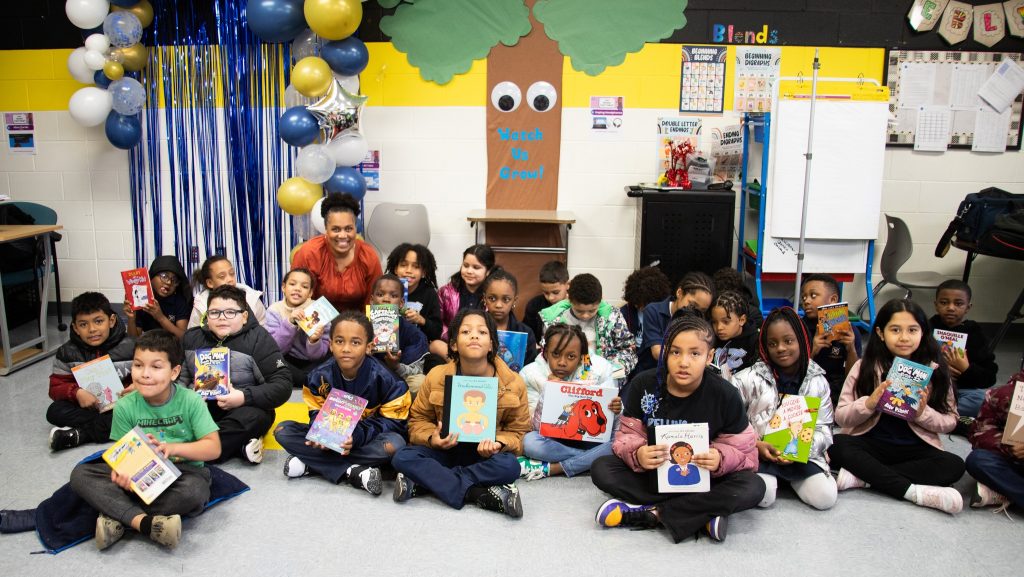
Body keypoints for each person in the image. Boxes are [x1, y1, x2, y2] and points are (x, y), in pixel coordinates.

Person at [590, 315, 764, 543]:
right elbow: (625, 437)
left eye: (695, 353)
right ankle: (703, 514)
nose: (684, 362)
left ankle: (654, 514)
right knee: (602, 468)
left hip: (705, 480)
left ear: (709, 356)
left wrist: (720, 458)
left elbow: (746, 453)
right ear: (665, 353)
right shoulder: (644, 384)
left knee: (754, 486)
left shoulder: (725, 394)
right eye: (675, 352)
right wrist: (638, 453)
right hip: (656, 476)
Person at [68, 330, 221, 550]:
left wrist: (171, 448)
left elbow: (213, 448)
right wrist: (121, 474)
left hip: (183, 472)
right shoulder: (125, 405)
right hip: (139, 475)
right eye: (138, 365)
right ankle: (144, 523)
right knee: (81, 474)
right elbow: (120, 453)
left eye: (156, 367)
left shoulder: (191, 401)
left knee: (194, 492)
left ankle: (119, 515)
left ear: (174, 372)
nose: (145, 374)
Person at [828, 299, 965, 514]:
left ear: (923, 333)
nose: (904, 337)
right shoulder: (863, 367)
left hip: (915, 449)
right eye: (895, 330)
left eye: (912, 330)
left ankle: (864, 478)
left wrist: (923, 414)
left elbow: (950, 421)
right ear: (881, 334)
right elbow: (841, 417)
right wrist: (869, 403)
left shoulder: (936, 371)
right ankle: (911, 491)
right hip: (871, 443)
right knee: (836, 444)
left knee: (954, 465)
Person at [390, 309, 530, 517]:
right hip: (446, 450)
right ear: (454, 344)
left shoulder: (513, 382)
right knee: (402, 456)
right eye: (466, 332)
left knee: (510, 466)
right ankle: (477, 494)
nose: (474, 336)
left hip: (483, 456)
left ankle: (427, 483)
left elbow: (518, 432)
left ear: (492, 343)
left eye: (482, 332)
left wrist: (498, 443)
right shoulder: (436, 376)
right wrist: (432, 438)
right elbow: (418, 419)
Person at [274, 311, 411, 494]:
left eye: (355, 342)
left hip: (365, 440)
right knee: (283, 431)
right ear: (330, 345)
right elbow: (315, 412)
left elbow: (395, 424)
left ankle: (313, 464)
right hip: (332, 437)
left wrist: (355, 436)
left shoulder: (390, 382)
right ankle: (352, 471)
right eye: (339, 341)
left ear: (369, 347)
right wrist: (321, 433)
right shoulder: (317, 377)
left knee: (395, 445)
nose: (346, 348)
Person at [730, 307, 838, 510]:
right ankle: (773, 481)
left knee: (826, 498)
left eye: (788, 341)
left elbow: (825, 430)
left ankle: (794, 481)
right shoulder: (746, 379)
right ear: (764, 346)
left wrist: (801, 449)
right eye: (773, 343)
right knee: (764, 497)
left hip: (803, 457)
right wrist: (756, 445)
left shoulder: (817, 381)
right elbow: (732, 424)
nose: (780, 348)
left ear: (802, 340)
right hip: (761, 453)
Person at [179, 285, 291, 465]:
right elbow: (179, 380)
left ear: (245, 316)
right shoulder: (191, 338)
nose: (222, 317)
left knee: (255, 418)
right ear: (207, 316)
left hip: (243, 408)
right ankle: (235, 448)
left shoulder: (258, 339)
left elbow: (282, 385)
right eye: (214, 312)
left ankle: (194, 451)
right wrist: (187, 398)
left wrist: (243, 397)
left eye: (230, 312)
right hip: (200, 408)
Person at [518, 323, 619, 480]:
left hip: (592, 438)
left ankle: (558, 468)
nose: (562, 362)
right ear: (545, 353)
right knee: (528, 443)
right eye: (556, 354)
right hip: (553, 441)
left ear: (581, 357)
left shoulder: (600, 368)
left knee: (618, 442)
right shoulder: (530, 374)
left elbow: (610, 423)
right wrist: (548, 389)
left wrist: (617, 408)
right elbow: (532, 425)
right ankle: (590, 459)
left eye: (571, 356)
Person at [47, 292, 136, 451]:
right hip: (89, 408)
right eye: (83, 324)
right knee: (55, 411)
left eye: (98, 321)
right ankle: (109, 427)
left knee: (143, 411)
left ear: (112, 320)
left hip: (124, 406)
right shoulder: (67, 353)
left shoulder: (131, 347)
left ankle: (82, 434)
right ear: (75, 327)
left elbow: (148, 376)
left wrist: (135, 388)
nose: (92, 329)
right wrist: (76, 393)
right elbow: (55, 387)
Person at [291, 192, 382, 313]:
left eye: (348, 229)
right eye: (336, 229)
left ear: (355, 228)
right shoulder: (309, 253)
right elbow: (295, 298)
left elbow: (377, 301)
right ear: (326, 230)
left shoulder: (368, 255)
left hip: (358, 326)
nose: (343, 235)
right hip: (316, 326)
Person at [539, 273, 637, 378]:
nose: (585, 316)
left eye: (592, 310)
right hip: (563, 376)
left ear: (600, 301)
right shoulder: (554, 320)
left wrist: (611, 370)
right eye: (579, 311)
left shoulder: (612, 317)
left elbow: (628, 349)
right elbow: (546, 352)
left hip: (603, 376)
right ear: (569, 300)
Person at [930, 280, 998, 419]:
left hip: (961, 390)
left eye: (958, 303)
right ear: (936, 305)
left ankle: (933, 412)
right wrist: (937, 369)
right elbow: (910, 361)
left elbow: (990, 378)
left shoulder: (975, 334)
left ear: (968, 307)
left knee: (981, 400)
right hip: (931, 388)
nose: (950, 308)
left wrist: (966, 368)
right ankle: (944, 413)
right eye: (944, 302)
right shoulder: (926, 329)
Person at [965, 369, 1024, 512]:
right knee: (977, 460)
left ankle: (1003, 493)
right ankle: (1013, 492)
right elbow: (979, 433)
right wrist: (1008, 446)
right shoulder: (1005, 393)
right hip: (1012, 462)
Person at [635, 271, 715, 375]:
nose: (695, 312)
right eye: (692, 304)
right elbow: (657, 352)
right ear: (679, 293)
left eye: (702, 310)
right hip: (651, 373)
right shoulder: (654, 311)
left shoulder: (701, 321)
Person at [799, 273, 861, 406]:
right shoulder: (798, 328)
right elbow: (793, 373)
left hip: (836, 388)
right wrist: (813, 349)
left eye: (813, 296)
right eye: (804, 297)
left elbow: (852, 377)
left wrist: (851, 349)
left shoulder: (849, 330)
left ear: (833, 300)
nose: (806, 301)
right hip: (805, 385)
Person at [265, 268, 330, 387]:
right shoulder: (274, 310)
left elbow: (318, 356)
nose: (297, 289)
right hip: (287, 359)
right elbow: (276, 349)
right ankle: (308, 381)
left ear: (310, 293)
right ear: (283, 287)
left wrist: (314, 340)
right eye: (292, 284)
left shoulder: (319, 309)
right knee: (269, 360)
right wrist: (291, 323)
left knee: (332, 360)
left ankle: (306, 379)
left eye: (304, 287)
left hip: (313, 361)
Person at [367, 274, 430, 386]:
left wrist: (396, 366)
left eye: (393, 296)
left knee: (420, 383)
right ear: (372, 300)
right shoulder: (360, 327)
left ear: (401, 303)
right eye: (380, 294)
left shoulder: (412, 332)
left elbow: (418, 370)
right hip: (367, 378)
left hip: (398, 380)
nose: (386, 299)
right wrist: (363, 355)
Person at [436, 244, 496, 349]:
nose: (469, 271)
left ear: (488, 271)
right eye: (466, 265)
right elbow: (437, 322)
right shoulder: (446, 292)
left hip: (481, 348)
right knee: (435, 346)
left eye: (476, 267)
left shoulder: (493, 296)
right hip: (451, 346)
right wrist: (455, 340)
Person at [481, 267, 538, 370]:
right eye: (492, 298)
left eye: (506, 299)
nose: (498, 305)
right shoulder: (474, 329)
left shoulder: (525, 333)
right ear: (484, 299)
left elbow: (530, 369)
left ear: (514, 301)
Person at [188, 255, 268, 328]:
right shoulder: (201, 304)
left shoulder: (251, 299)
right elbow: (192, 337)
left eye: (232, 273)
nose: (230, 279)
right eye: (222, 276)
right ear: (210, 283)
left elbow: (265, 333)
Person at [385, 243, 443, 344]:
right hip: (388, 344)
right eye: (403, 265)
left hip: (418, 345)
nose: (409, 271)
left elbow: (437, 332)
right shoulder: (384, 289)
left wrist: (421, 320)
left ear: (423, 272)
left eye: (416, 267)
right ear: (395, 269)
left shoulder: (429, 293)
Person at [124, 255, 192, 339]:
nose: (169, 282)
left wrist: (160, 317)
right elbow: (132, 340)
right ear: (151, 277)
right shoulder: (141, 299)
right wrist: (131, 318)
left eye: (174, 279)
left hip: (172, 347)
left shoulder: (179, 301)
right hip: (147, 347)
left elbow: (183, 338)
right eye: (164, 276)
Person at [619, 266, 672, 351]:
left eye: (642, 304)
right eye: (636, 303)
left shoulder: (662, 314)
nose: (638, 307)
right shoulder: (626, 312)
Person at [709, 290, 759, 380]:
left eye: (726, 322)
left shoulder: (755, 341)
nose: (719, 327)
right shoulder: (709, 338)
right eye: (714, 322)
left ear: (742, 320)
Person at [522, 260, 570, 341]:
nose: (551, 297)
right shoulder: (534, 305)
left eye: (556, 292)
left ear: (568, 285)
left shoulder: (575, 305)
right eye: (546, 293)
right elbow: (527, 333)